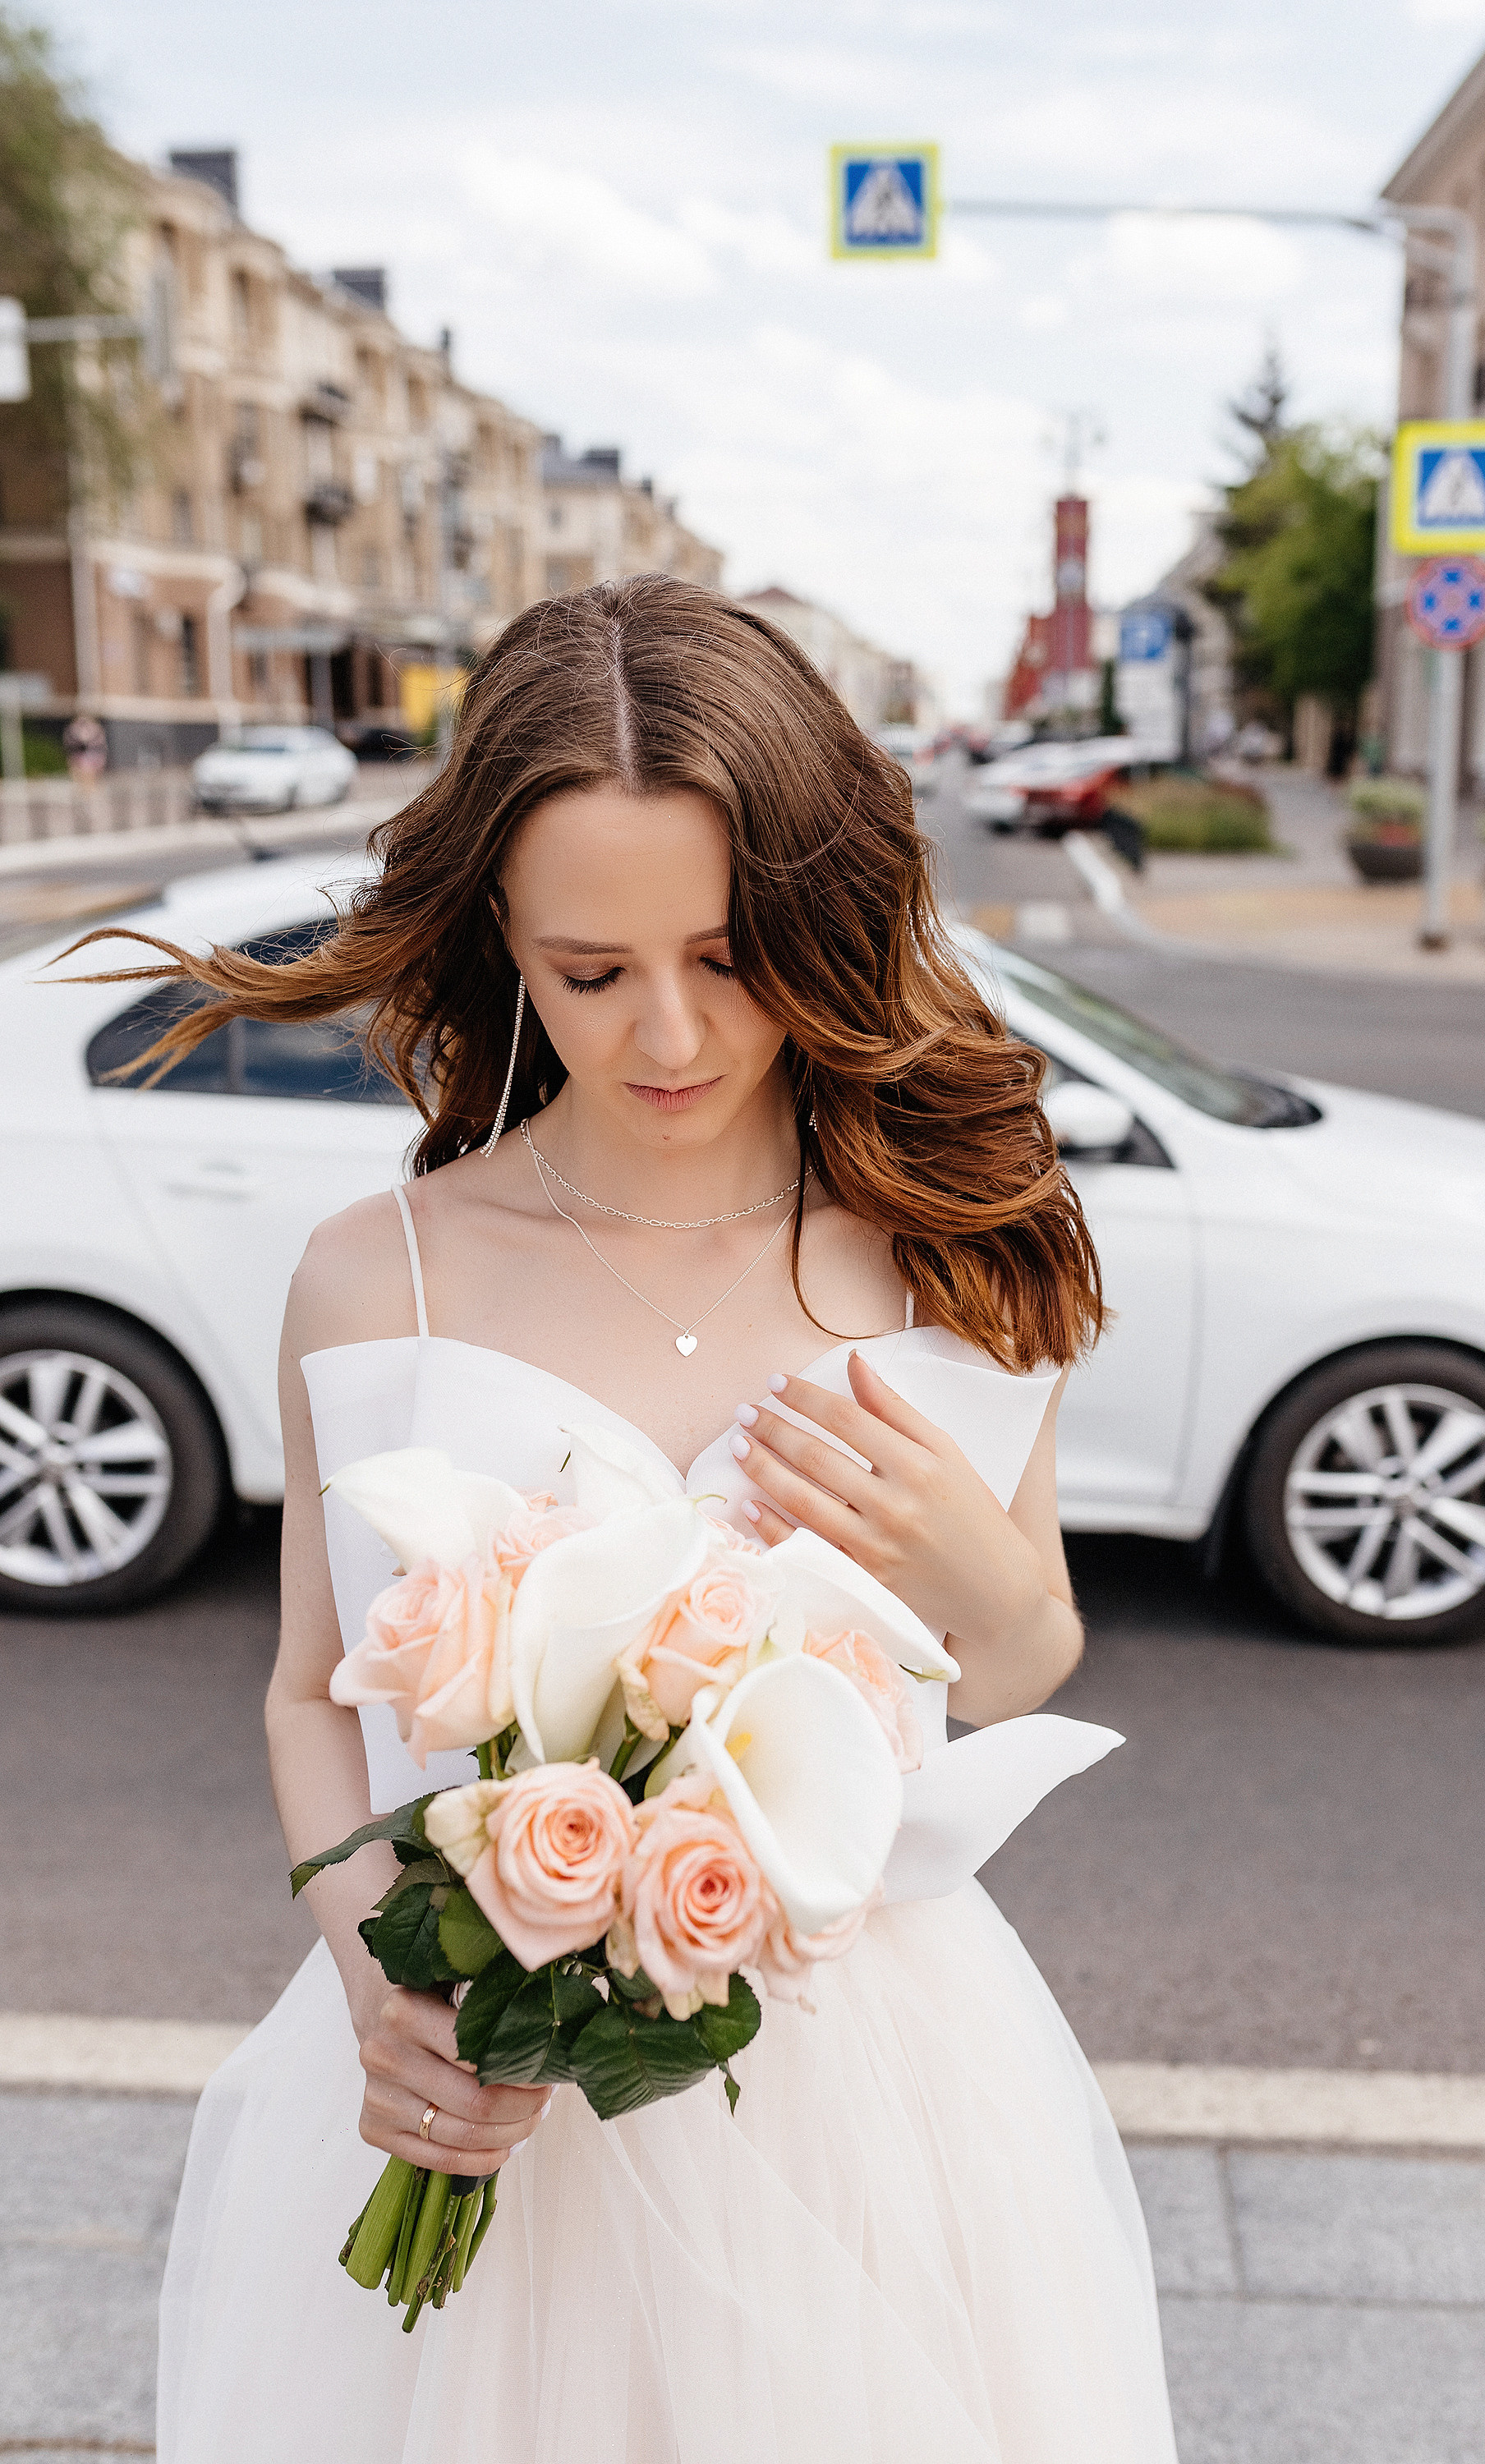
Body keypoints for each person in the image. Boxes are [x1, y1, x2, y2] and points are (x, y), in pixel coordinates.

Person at [146, 577, 1178, 2462]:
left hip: (879, 2093)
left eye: (727, 953)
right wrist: (383, 1983)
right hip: (483, 2088)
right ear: (503, 948)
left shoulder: (959, 1240)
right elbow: (311, 1690)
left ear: (813, 910)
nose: (673, 1034)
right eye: (591, 972)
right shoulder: (379, 1271)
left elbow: (1023, 1663)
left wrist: (965, 1570)